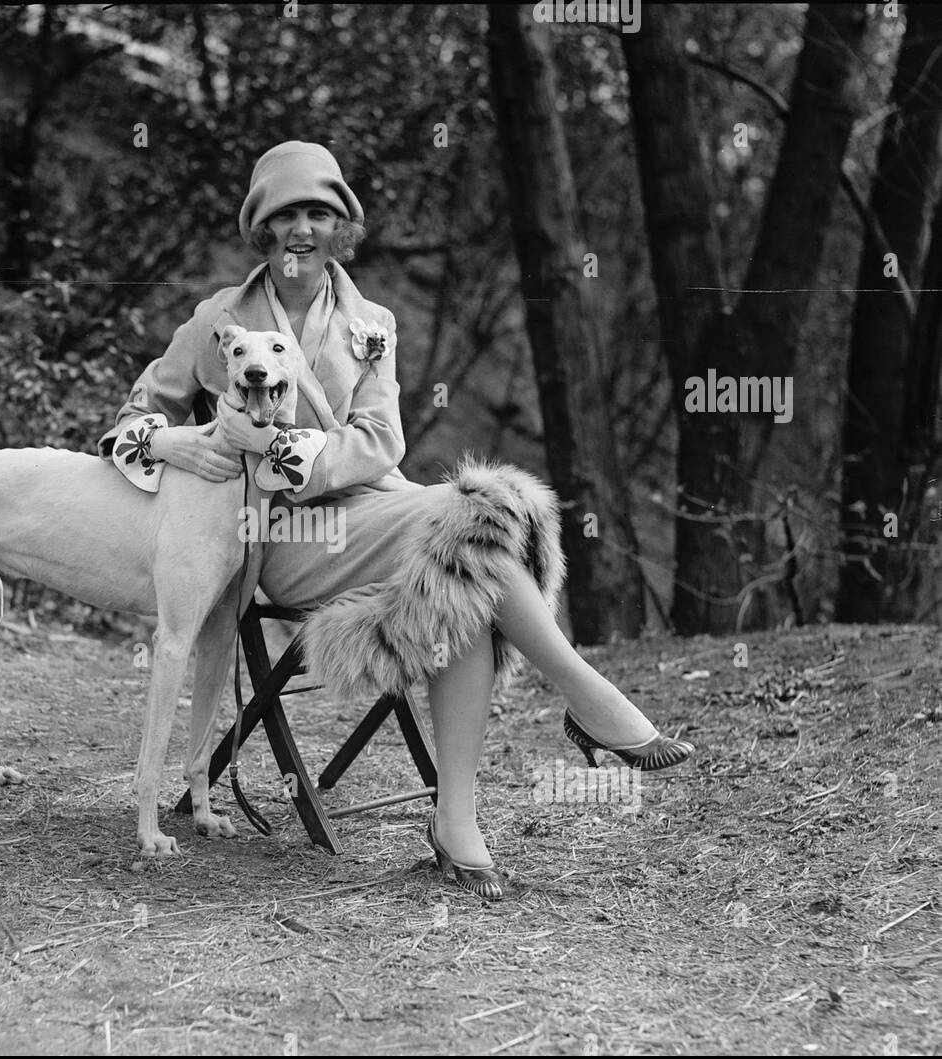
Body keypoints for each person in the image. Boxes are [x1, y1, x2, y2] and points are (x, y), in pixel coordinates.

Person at [99, 141, 694, 899]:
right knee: (467, 526)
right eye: (284, 215)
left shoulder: (369, 322)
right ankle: (584, 696)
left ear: (341, 227)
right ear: (262, 227)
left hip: (370, 508)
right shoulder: (221, 317)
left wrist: (297, 448)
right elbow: (133, 417)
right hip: (272, 536)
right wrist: (180, 439)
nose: (301, 230)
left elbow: (381, 442)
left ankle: (457, 819)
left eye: (318, 213)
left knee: (466, 568)